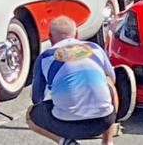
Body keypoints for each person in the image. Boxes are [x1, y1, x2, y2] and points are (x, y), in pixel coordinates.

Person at [26, 16, 119, 145]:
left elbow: (37, 99)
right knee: (108, 82)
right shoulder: (95, 48)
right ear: (76, 34)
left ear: (51, 37)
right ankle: (107, 141)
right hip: (103, 121)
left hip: (66, 125)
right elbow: (112, 79)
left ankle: (65, 142)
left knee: (31, 114)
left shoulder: (45, 57)